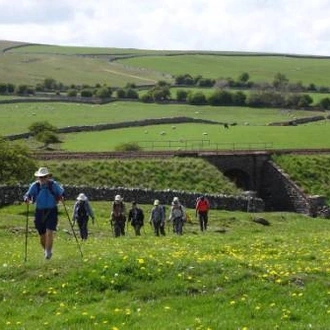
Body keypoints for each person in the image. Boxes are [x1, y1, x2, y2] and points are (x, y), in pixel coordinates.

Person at [23, 167, 64, 260]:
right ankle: (46, 249)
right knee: (42, 234)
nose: (42, 179)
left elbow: (61, 193)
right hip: (39, 211)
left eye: (44, 177)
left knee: (49, 232)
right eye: (40, 177)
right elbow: (27, 195)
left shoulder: (53, 185)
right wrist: (26, 198)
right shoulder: (35, 186)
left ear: (48, 177)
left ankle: (48, 253)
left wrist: (61, 197)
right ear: (38, 177)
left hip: (52, 210)